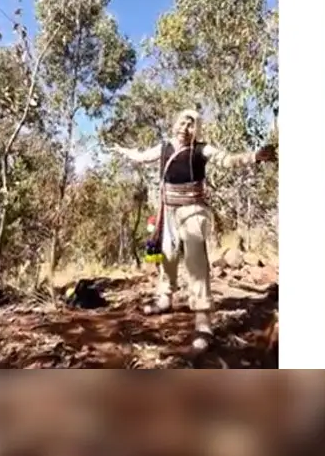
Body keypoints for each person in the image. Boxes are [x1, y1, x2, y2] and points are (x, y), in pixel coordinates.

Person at [109, 108, 276, 351]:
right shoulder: (164, 147)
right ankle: (164, 298)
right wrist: (123, 150)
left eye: (191, 124)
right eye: (182, 122)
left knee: (196, 260)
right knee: (167, 255)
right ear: (175, 124)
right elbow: (142, 156)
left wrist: (254, 156)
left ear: (195, 129)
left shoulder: (201, 149)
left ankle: (203, 321)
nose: (185, 127)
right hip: (168, 211)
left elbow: (227, 160)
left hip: (194, 211)